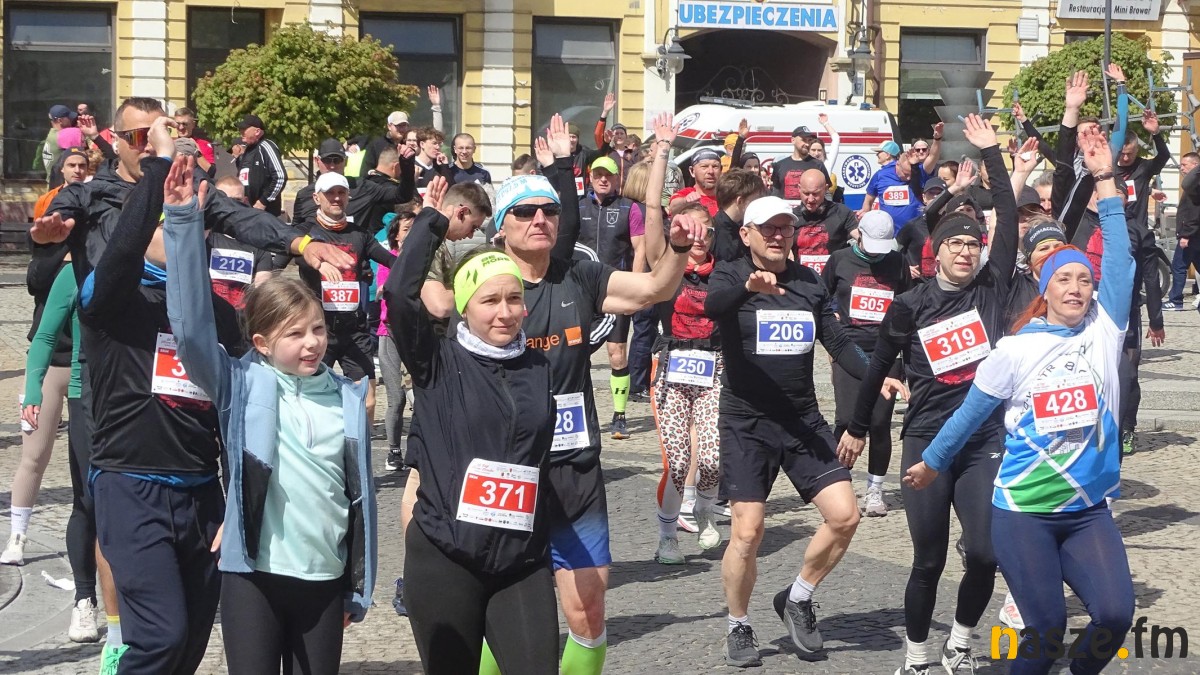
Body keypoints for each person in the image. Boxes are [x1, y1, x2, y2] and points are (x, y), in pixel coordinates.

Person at [474, 112, 705, 675]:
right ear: (502, 224)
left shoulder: (578, 273)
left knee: (589, 602)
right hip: (505, 466)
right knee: (501, 609)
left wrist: (676, 248)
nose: (540, 220)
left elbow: (652, 289)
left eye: (549, 211)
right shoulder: (482, 283)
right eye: (524, 212)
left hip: (573, 465)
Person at [904, 125, 1135, 675]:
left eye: (1084, 280)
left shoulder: (1105, 329)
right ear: (1043, 287)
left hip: (1087, 510)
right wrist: (932, 462)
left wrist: (1105, 179)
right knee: (1047, 629)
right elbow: (970, 415)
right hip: (1025, 511)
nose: (1076, 288)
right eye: (1064, 280)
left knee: (1114, 615)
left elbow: (1121, 260)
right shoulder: (1014, 349)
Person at [162, 155, 376, 675]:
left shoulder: (349, 397)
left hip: (323, 580)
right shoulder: (241, 383)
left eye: (317, 329)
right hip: (254, 578)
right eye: (294, 334)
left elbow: (359, 499)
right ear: (260, 343)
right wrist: (184, 222)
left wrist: (357, 584)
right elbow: (191, 331)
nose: (312, 344)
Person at [837, 114, 1018, 675]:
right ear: (935, 253)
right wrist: (858, 426)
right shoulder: (910, 305)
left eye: (972, 244)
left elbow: (1009, 218)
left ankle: (959, 643)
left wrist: (992, 154)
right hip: (925, 440)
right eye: (954, 244)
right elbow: (878, 369)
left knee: (985, 553)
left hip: (982, 441)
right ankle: (916, 656)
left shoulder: (991, 287)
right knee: (929, 560)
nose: (965, 252)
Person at [705, 194, 903, 668]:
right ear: (747, 234)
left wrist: (876, 377)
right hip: (747, 422)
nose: (778, 236)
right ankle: (738, 624)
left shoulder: (809, 283)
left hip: (802, 421)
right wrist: (748, 288)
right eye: (768, 228)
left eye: (785, 228)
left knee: (846, 516)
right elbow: (714, 307)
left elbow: (837, 342)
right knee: (748, 532)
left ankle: (797, 597)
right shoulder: (730, 274)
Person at [385, 177, 560, 674]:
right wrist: (432, 223)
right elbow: (399, 294)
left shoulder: (537, 367)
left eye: (514, 299)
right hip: (446, 556)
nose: (505, 313)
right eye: (490, 301)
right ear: (464, 306)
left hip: (520, 558)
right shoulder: (436, 362)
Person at [77, 119, 232, 674]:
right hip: (130, 484)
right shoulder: (110, 297)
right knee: (160, 637)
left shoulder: (216, 312)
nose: (181, 229)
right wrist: (158, 167)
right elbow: (121, 248)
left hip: (201, 493)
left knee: (188, 645)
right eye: (167, 220)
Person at [294, 172, 400, 427]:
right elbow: (278, 261)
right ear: (317, 198)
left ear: (348, 197)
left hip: (354, 329)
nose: (336, 198)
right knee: (311, 399)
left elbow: (391, 261)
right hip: (319, 330)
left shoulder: (359, 234)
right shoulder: (305, 233)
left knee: (367, 401)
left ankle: (361, 449)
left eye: (341, 193)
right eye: (330, 193)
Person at [649, 202, 724, 564]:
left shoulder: (724, 272)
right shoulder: (668, 267)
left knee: (713, 455)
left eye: (705, 230)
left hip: (714, 367)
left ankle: (705, 510)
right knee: (677, 462)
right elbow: (651, 228)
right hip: (671, 368)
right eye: (691, 230)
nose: (699, 237)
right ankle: (667, 537)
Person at [823, 210, 910, 517]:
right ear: (858, 234)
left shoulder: (897, 262)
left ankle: (875, 489)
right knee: (847, 418)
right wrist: (832, 324)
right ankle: (837, 484)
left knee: (879, 421)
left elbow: (907, 301)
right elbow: (821, 295)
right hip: (849, 347)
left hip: (887, 351)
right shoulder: (840, 259)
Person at [578, 156, 640, 438]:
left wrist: (635, 285)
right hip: (581, 291)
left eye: (609, 175)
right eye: (598, 175)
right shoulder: (578, 207)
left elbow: (640, 249)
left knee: (617, 354)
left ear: (617, 179)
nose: (603, 179)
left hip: (615, 290)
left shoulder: (629, 208)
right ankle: (582, 411)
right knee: (576, 354)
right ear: (590, 178)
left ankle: (619, 415)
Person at [374, 207, 416, 472]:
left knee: (419, 399)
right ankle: (393, 451)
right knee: (396, 398)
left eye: (414, 230)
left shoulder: (424, 260)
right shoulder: (388, 260)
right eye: (406, 230)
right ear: (396, 236)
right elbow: (381, 291)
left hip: (414, 335)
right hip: (389, 334)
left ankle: (420, 449)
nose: (411, 235)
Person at [793, 168, 859, 276]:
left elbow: (860, 238)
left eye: (816, 194)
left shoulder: (842, 212)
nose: (810, 199)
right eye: (806, 193)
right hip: (802, 279)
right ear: (799, 189)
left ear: (826, 189)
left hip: (833, 278)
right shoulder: (791, 217)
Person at [860, 142, 928, 228]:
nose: (877, 154)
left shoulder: (915, 169)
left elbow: (932, 158)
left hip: (915, 230)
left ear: (888, 155)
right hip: (888, 231)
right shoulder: (879, 175)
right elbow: (868, 201)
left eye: (879, 152)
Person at [234, 114, 287, 216]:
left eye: (244, 129)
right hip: (247, 212)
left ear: (257, 131)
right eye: (240, 129)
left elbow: (280, 177)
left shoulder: (266, 146)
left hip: (264, 214)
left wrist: (263, 201)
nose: (241, 132)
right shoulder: (248, 150)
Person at [711, 169, 768, 263]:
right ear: (740, 201)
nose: (759, 204)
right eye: (756, 199)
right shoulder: (713, 235)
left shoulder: (745, 226)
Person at [1167, 152, 1200, 310]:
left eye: (1184, 165)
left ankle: (1176, 300)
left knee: (1179, 266)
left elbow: (1193, 213)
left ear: (1195, 166)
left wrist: (1186, 234)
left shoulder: (1194, 187)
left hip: (1190, 235)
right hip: (1194, 234)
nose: (1181, 168)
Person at [770, 126, 830, 199]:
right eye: (804, 140)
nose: (807, 144)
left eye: (809, 140)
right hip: (785, 206)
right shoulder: (780, 165)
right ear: (793, 140)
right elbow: (775, 193)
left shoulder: (818, 165)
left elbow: (826, 193)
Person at [669, 148, 721, 216]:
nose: (711, 171)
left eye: (715, 166)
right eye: (704, 166)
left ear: (721, 170)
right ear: (692, 171)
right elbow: (672, 208)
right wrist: (685, 201)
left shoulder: (727, 196)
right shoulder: (685, 194)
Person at [37, 104, 77, 185]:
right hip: (60, 185)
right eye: (68, 118)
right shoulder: (64, 136)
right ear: (60, 120)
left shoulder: (52, 134)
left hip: (52, 183)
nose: (71, 120)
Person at [172, 108, 215, 173]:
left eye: (185, 124)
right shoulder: (170, 144)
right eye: (178, 124)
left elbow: (211, 172)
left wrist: (196, 151)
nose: (181, 127)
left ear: (193, 124)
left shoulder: (204, 144)